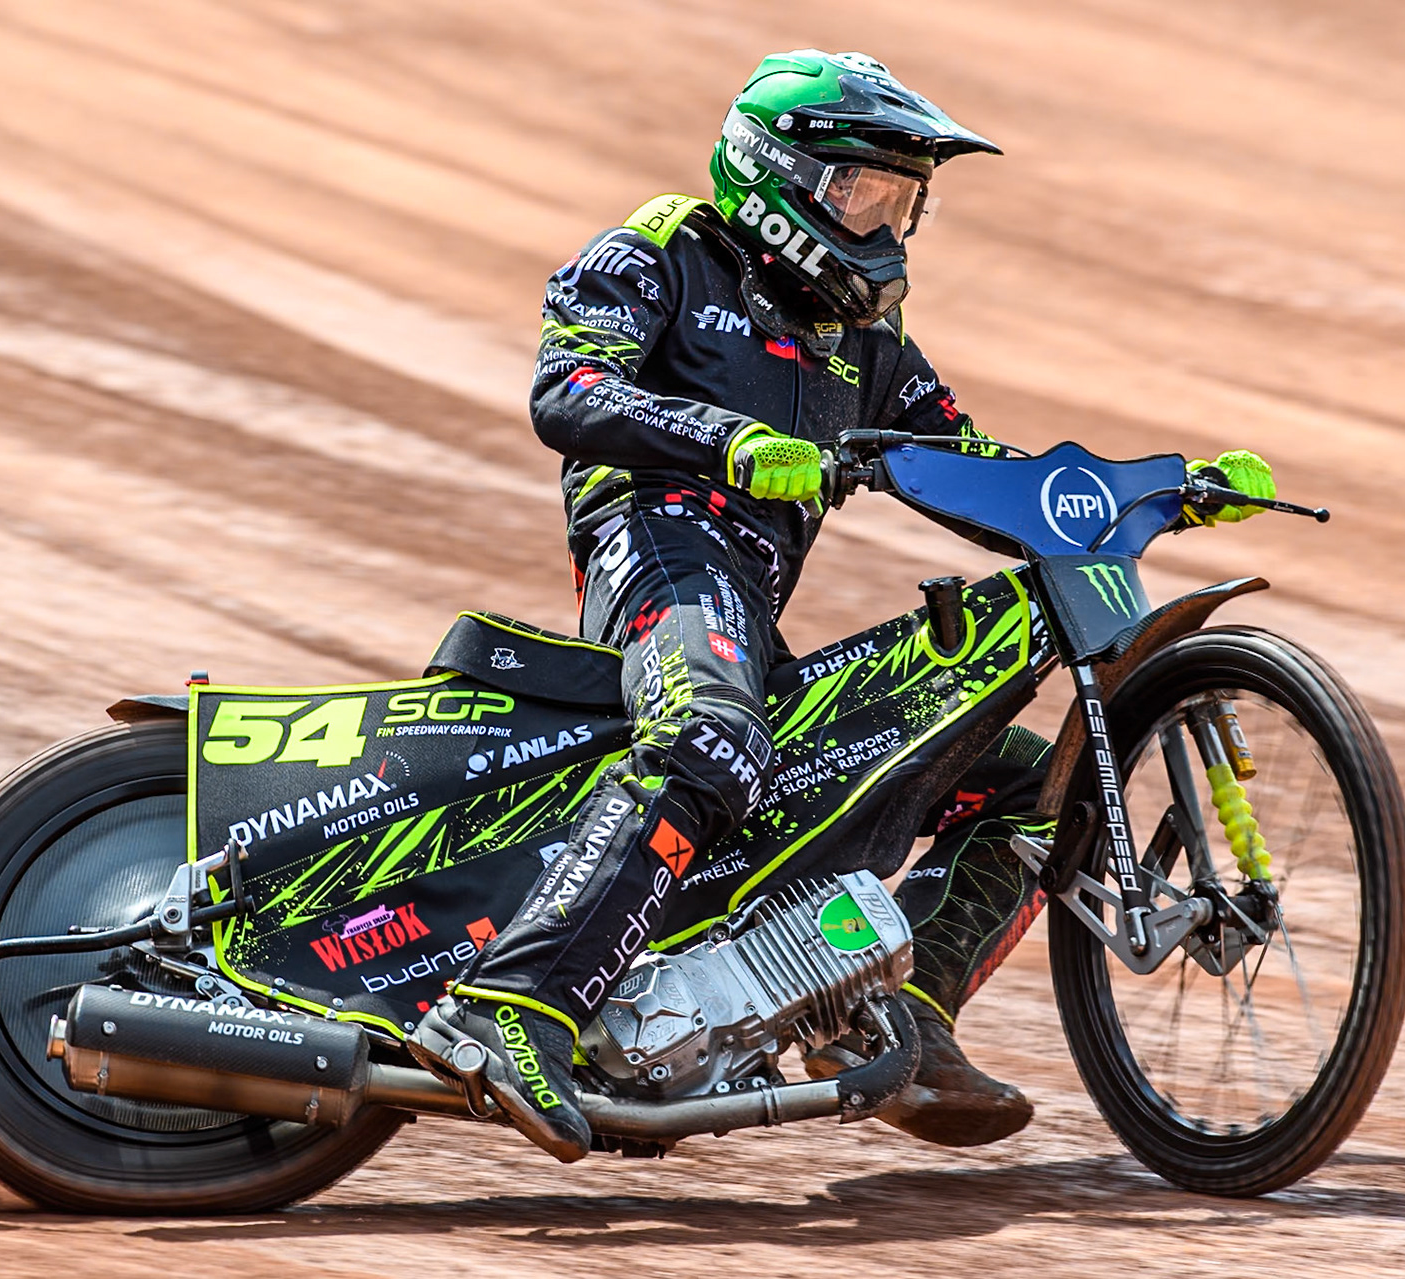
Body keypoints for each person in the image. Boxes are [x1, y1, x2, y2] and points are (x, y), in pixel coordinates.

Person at [413, 49, 1275, 1162]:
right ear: (779, 177)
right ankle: (510, 1008)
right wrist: (732, 442)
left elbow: (975, 471)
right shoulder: (661, 254)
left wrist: (1154, 494)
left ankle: (908, 1013)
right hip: (660, 564)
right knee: (712, 739)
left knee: (1030, 780)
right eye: (864, 192)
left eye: (905, 201)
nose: (887, 226)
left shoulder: (864, 343)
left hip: (745, 612)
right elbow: (567, 390)